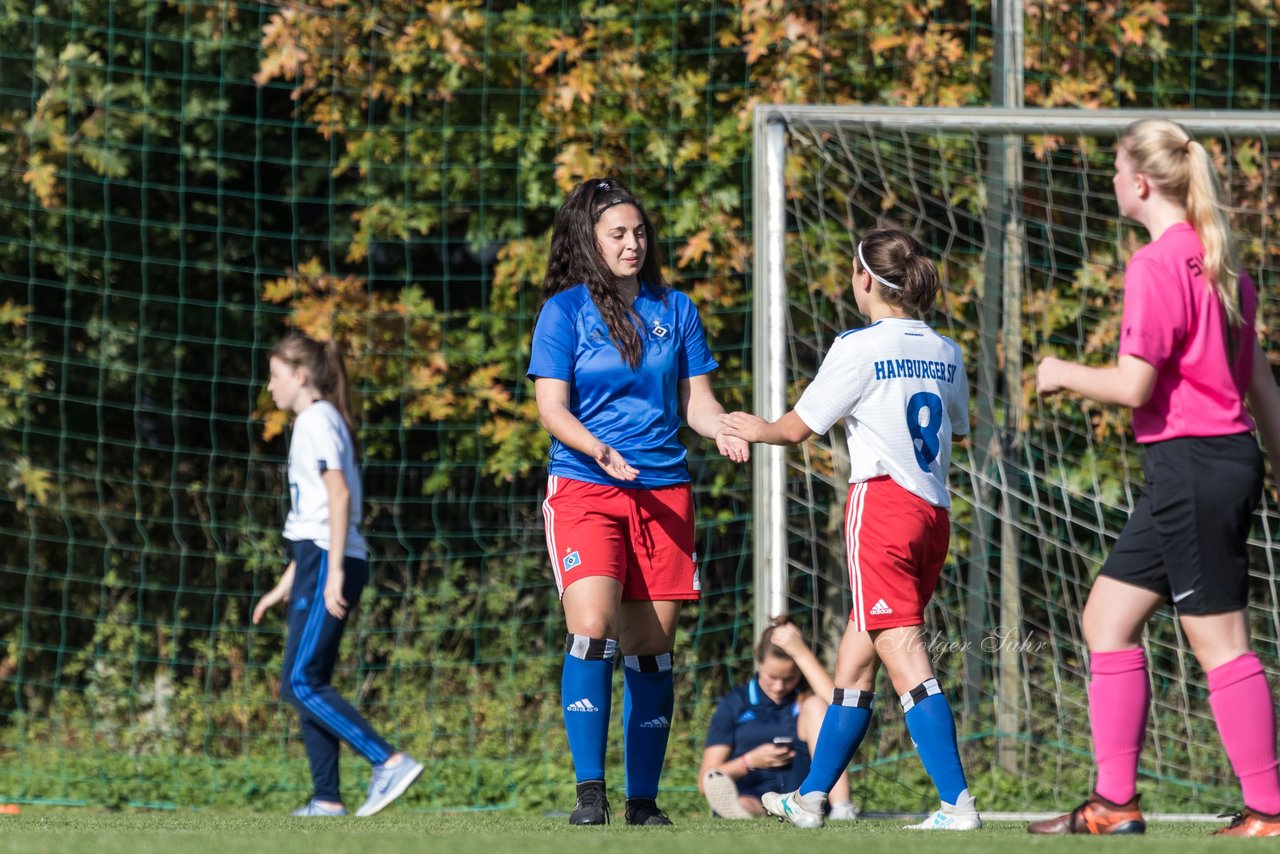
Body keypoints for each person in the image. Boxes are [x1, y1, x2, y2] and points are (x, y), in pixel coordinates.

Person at [1028, 119, 1280, 837]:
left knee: (1221, 642)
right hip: (1202, 465)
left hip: (1195, 464)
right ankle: (1114, 804)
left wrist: (1060, 373)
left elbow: (1136, 387)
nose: (1110, 181)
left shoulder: (1157, 265)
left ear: (1141, 182)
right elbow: (1259, 381)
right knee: (1105, 617)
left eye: (1114, 169)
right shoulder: (1220, 261)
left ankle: (1269, 810)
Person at [719, 225, 979, 831]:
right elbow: (959, 426)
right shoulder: (945, 348)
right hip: (933, 515)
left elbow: (793, 428)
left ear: (865, 279)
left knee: (906, 661)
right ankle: (811, 799)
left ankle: (956, 804)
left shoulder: (857, 346)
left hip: (883, 511)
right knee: (852, 668)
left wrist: (742, 425)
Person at [527, 177, 750, 827]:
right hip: (586, 486)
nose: (632, 243)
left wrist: (724, 427)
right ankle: (590, 792)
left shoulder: (675, 309)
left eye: (639, 232)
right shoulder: (563, 312)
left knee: (651, 651)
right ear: (588, 241)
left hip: (664, 494)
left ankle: (643, 802)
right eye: (617, 234)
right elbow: (551, 408)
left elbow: (697, 403)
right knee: (591, 628)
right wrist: (597, 449)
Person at [253, 332, 423, 817]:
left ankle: (387, 761)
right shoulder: (316, 421)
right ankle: (327, 799)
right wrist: (285, 583)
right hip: (316, 558)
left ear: (299, 376)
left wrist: (331, 574)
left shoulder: (316, 420)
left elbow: (339, 496)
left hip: (330, 561)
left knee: (300, 682)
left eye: (275, 376)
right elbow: (312, 516)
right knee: (309, 681)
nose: (270, 387)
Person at [698, 621, 858, 821]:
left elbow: (843, 713)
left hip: (801, 794)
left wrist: (802, 653)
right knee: (745, 803)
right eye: (772, 677)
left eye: (789, 678)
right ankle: (740, 812)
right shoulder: (734, 703)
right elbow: (706, 781)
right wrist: (748, 762)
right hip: (751, 794)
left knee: (817, 705)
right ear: (759, 661)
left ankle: (841, 808)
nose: (779, 686)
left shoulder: (807, 699)